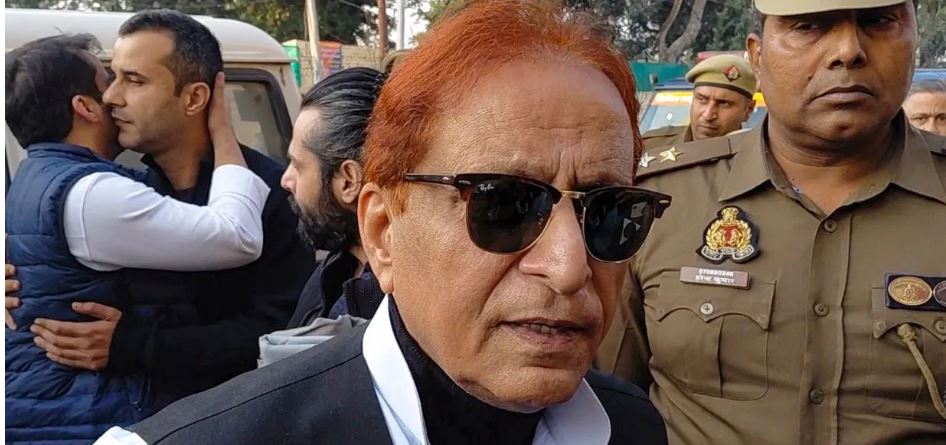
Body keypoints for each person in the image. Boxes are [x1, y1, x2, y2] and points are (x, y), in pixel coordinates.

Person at [95, 1, 670, 443]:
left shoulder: (631, 427)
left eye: (609, 212)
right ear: (383, 231)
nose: (569, 267)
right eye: (506, 205)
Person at [597, 0, 946, 443]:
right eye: (809, 26)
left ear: (915, 39)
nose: (848, 51)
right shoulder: (659, 199)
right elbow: (609, 404)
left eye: (878, 21)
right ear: (757, 56)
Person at [5, 10, 315, 412]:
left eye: (133, 80)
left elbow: (287, 332)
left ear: (194, 98)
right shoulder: (122, 191)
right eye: (112, 77)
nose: (111, 97)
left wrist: (136, 345)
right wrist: (25, 280)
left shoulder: (273, 195)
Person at [283, 67, 387, 327]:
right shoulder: (336, 269)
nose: (286, 180)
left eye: (298, 165)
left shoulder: (403, 309)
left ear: (348, 181)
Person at [640, 54, 757, 158]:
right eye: (702, 99)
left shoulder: (757, 158)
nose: (708, 115)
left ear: (748, 110)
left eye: (723, 103)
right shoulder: (651, 147)